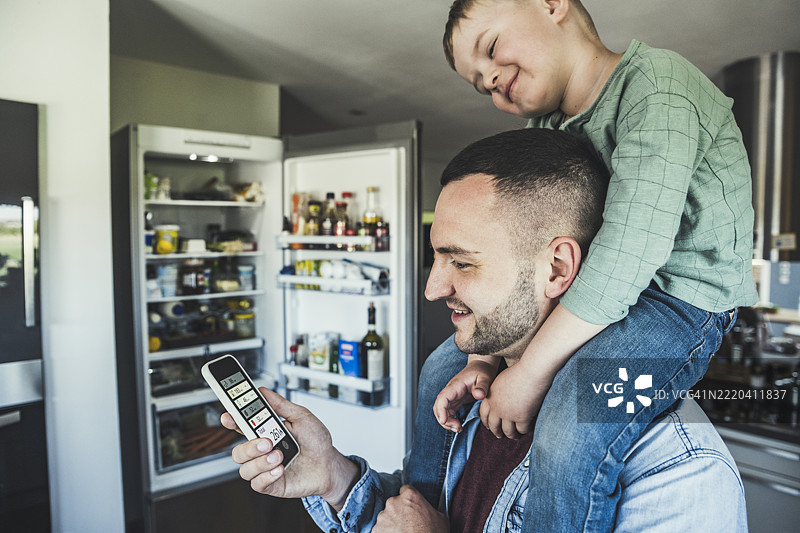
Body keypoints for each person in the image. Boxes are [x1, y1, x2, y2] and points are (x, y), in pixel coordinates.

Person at [224, 129, 746, 532]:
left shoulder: (678, 467)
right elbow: (416, 511)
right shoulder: (467, 389)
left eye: (462, 263)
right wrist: (331, 475)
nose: (432, 288)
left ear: (558, 270)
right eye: (436, 258)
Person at [425, 1, 758, 529]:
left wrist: (531, 373)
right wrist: (484, 362)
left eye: (489, 49)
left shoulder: (658, 84)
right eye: (479, 84)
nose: (489, 79)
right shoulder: (549, 127)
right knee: (440, 371)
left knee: (574, 416)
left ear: (552, 4)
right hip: (599, 295)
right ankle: (423, 508)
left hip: (677, 307)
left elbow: (629, 252)